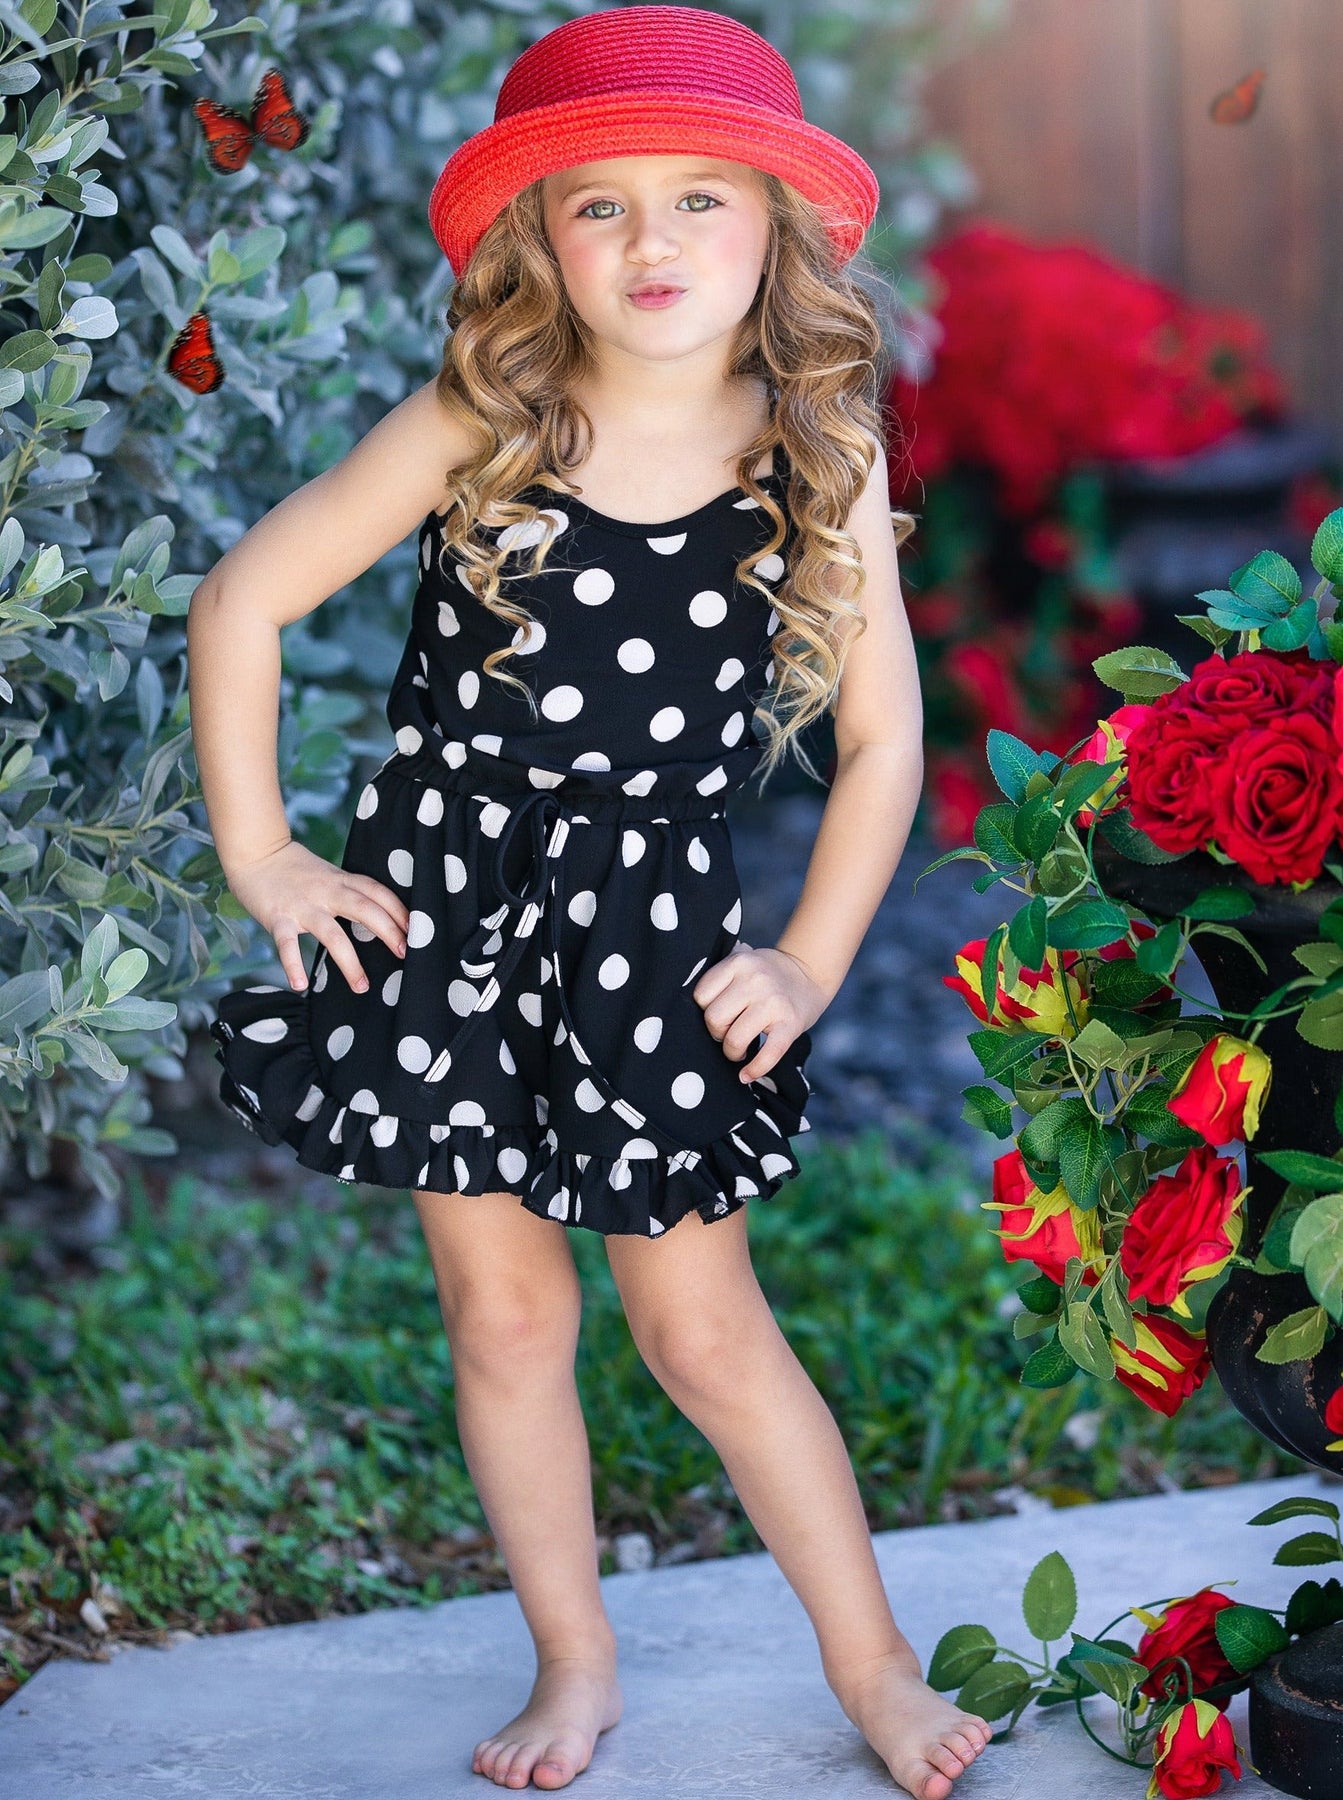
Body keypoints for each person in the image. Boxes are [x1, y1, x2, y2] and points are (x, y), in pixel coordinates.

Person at [187, 7, 990, 1796]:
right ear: (538, 239)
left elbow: (882, 745)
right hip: (447, 922)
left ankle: (872, 1669)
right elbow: (244, 601)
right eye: (599, 204)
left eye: (701, 197)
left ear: (776, 227)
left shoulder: (815, 451)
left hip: (650, 944)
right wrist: (266, 856)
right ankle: (574, 1660)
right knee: (505, 1318)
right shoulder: (488, 420)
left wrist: (807, 962)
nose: (651, 240)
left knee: (702, 1329)